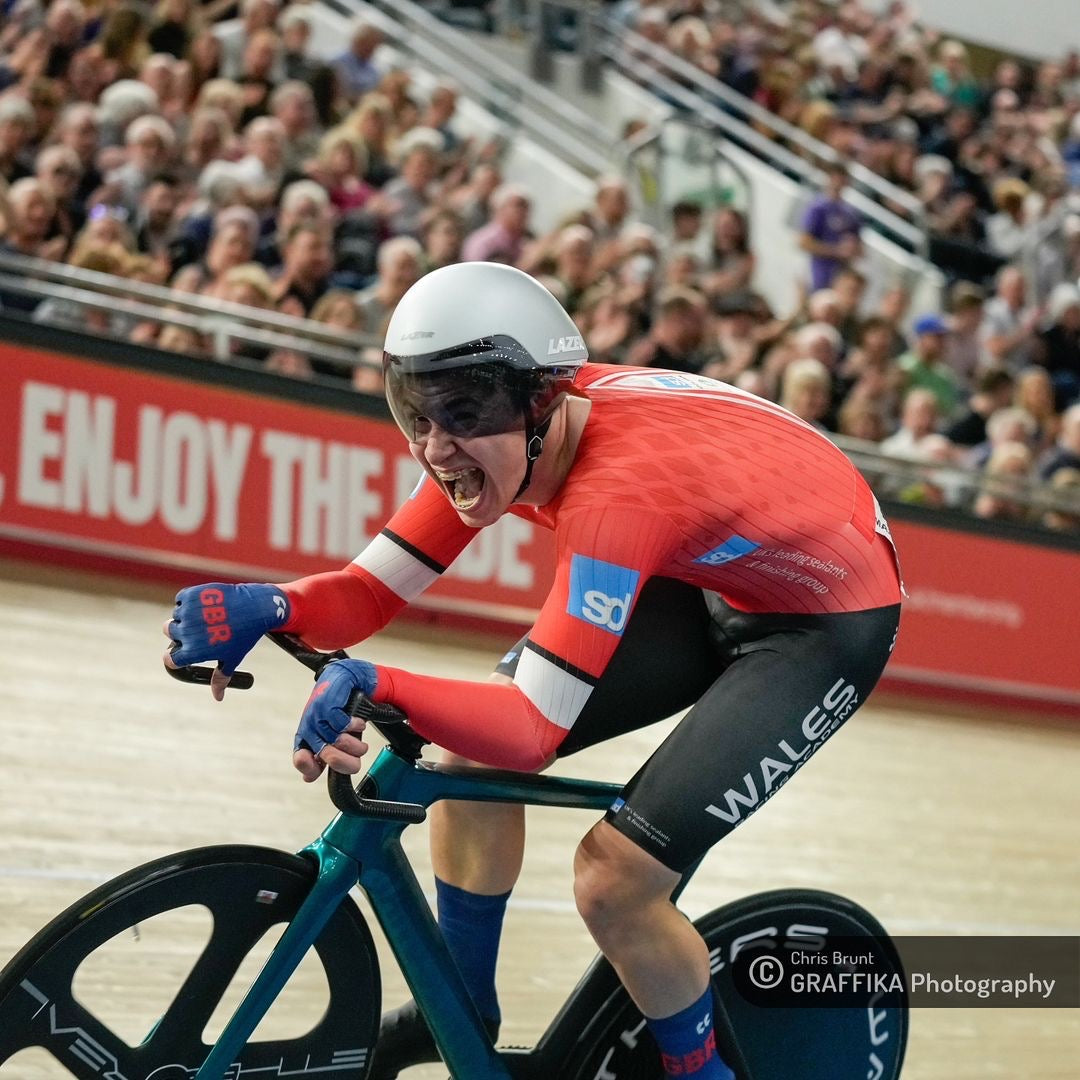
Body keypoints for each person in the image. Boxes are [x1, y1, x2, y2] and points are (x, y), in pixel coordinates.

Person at [163, 262, 904, 1080]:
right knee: (461, 750)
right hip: (710, 573)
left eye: (459, 414)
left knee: (615, 880)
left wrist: (374, 685)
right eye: (415, 411)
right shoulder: (496, 427)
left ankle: (703, 1073)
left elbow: (529, 729)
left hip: (821, 627)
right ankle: (464, 1008)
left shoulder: (614, 494)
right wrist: (273, 606)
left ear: (541, 408)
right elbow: (369, 592)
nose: (435, 447)